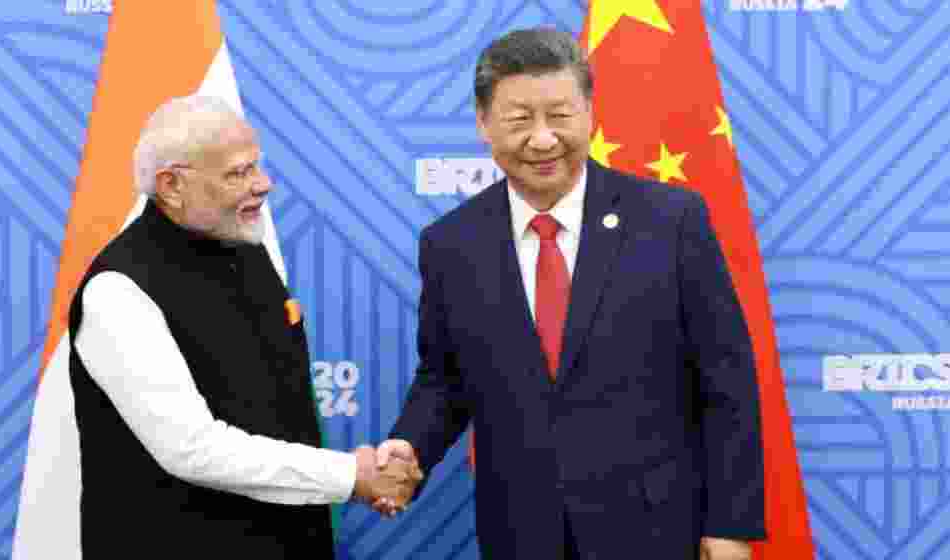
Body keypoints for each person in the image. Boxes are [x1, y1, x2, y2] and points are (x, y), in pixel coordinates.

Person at [375, 28, 765, 559]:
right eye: (519, 120)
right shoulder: (451, 244)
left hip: (655, 529)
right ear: (483, 124)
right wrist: (407, 447)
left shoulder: (671, 220)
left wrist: (730, 524)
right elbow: (444, 378)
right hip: (521, 532)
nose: (542, 139)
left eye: (559, 116)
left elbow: (727, 380)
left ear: (589, 114)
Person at [67, 94, 421, 558]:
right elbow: (191, 448)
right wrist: (351, 475)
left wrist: (370, 474)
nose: (264, 184)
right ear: (171, 185)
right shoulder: (119, 288)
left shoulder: (244, 246)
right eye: (240, 173)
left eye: (258, 167)